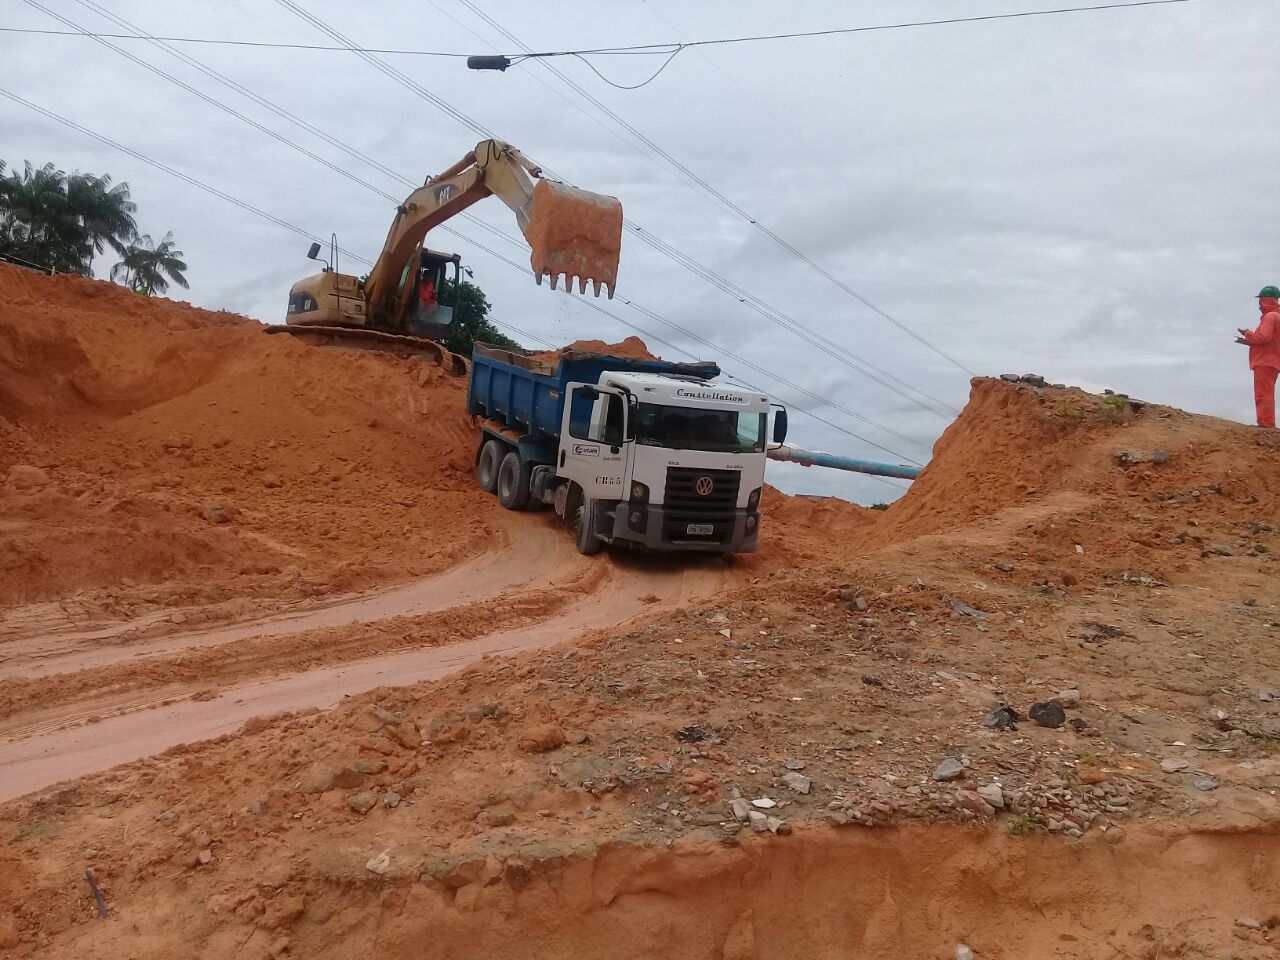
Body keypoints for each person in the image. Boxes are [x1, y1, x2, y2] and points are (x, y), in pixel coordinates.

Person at [1237, 285, 1280, 428]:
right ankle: (1266, 423)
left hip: (1265, 361)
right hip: (1272, 361)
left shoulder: (1270, 317)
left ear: (1265, 301)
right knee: (1265, 393)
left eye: (1260, 302)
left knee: (1263, 395)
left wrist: (1248, 333)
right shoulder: (1277, 316)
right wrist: (1248, 341)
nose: (1259, 306)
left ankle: (1266, 424)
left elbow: (1263, 337)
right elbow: (1271, 342)